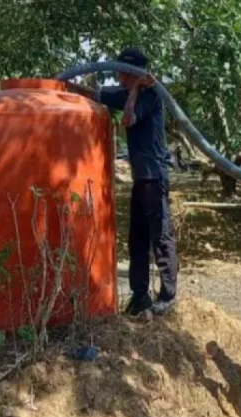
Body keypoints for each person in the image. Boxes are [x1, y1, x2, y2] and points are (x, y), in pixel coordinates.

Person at [66, 47, 178, 317]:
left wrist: (138, 88)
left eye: (121, 70)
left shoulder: (150, 95)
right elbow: (95, 94)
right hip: (142, 178)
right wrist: (65, 83)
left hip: (154, 175)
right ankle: (140, 295)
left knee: (160, 235)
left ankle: (167, 295)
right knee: (137, 238)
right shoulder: (125, 93)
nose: (116, 74)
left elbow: (128, 119)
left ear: (131, 72)